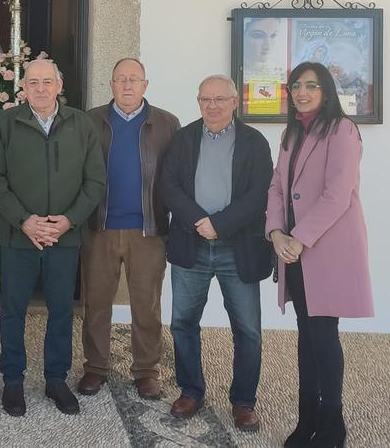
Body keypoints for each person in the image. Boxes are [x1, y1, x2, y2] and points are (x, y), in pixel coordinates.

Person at [0, 58, 106, 417]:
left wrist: (68, 221)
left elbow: (95, 181)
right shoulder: (6, 123)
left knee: (62, 311)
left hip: (64, 237)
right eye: (33, 82)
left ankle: (56, 379)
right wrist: (25, 221)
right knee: (13, 311)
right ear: (23, 87)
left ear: (59, 86)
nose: (40, 88)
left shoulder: (80, 124)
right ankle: (13, 381)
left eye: (47, 82)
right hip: (18, 236)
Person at [266, 62, 374, 448]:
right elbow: (277, 187)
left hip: (324, 250)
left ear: (326, 91)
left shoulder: (342, 130)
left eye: (310, 86)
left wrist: (298, 238)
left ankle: (332, 426)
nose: (302, 92)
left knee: (324, 336)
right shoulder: (292, 132)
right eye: (296, 86)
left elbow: (337, 193)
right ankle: (306, 418)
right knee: (306, 336)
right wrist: (276, 232)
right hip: (292, 251)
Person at [160, 74, 273, 431]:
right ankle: (191, 391)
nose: (212, 106)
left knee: (248, 329)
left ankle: (243, 401)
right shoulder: (183, 138)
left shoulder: (255, 142)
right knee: (183, 323)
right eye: (205, 99)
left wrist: (220, 225)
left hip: (235, 246)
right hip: (191, 244)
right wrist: (199, 221)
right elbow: (169, 185)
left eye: (220, 99)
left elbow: (259, 195)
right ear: (198, 102)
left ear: (235, 102)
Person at [78, 58, 180, 400]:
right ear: (111, 84)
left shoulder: (167, 123)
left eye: (133, 79)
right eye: (120, 79)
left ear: (145, 85)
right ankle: (95, 367)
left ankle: (146, 370)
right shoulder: (90, 121)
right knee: (96, 301)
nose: (127, 85)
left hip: (148, 230)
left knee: (146, 304)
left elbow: (176, 177)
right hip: (100, 227)